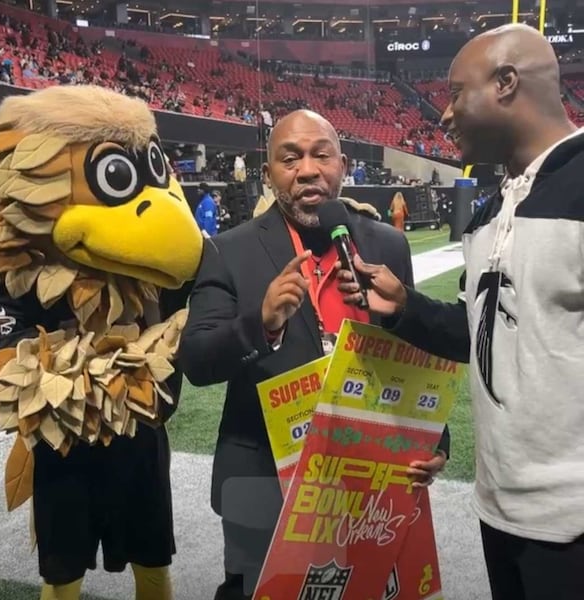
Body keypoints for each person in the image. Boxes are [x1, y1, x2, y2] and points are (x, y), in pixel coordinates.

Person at [336, 24, 584, 600]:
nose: (443, 115)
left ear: (505, 83)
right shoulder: (491, 207)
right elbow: (483, 334)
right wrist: (405, 308)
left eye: (454, 93)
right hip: (500, 504)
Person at [179, 109, 449, 600]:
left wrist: (434, 438)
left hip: (369, 477)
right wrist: (260, 324)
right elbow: (196, 361)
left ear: (342, 165)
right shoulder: (227, 250)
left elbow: (410, 353)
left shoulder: (386, 244)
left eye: (320, 155)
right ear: (268, 174)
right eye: (291, 158)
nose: (307, 170)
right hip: (263, 475)